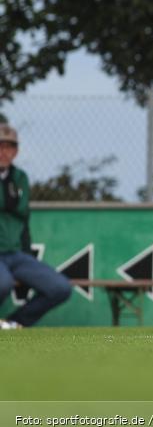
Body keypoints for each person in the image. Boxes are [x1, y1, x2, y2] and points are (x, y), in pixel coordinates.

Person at [0, 124, 73, 329]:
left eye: (9, 147)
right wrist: (10, 202)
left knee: (60, 287)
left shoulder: (20, 177)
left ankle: (14, 323)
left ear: (15, 151)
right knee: (2, 283)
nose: (3, 152)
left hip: (15, 254)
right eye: (0, 146)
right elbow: (12, 204)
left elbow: (21, 211)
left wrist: (27, 252)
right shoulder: (14, 182)